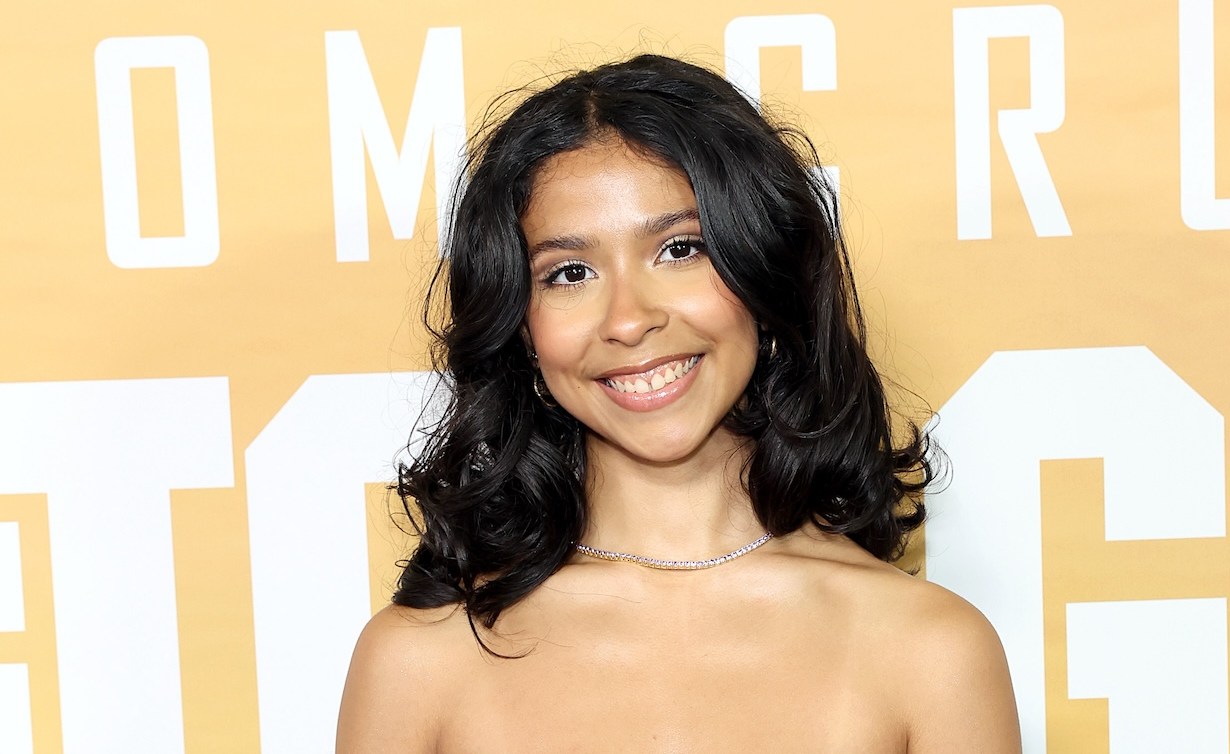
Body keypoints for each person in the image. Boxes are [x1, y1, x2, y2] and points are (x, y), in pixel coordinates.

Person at [336, 53, 1020, 752]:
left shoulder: (929, 653)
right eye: (569, 272)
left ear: (765, 274)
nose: (629, 319)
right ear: (521, 331)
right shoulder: (418, 661)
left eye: (679, 249)